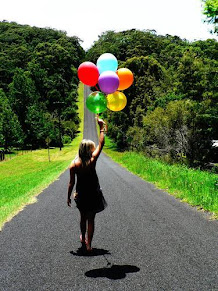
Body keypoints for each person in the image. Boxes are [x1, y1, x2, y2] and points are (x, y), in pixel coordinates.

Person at [67, 116, 107, 252]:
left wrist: (68, 197)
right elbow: (101, 144)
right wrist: (101, 128)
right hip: (94, 193)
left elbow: (71, 183)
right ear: (89, 150)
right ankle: (89, 244)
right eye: (92, 148)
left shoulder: (73, 164)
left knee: (83, 217)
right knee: (91, 219)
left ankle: (82, 237)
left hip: (81, 194)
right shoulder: (92, 160)